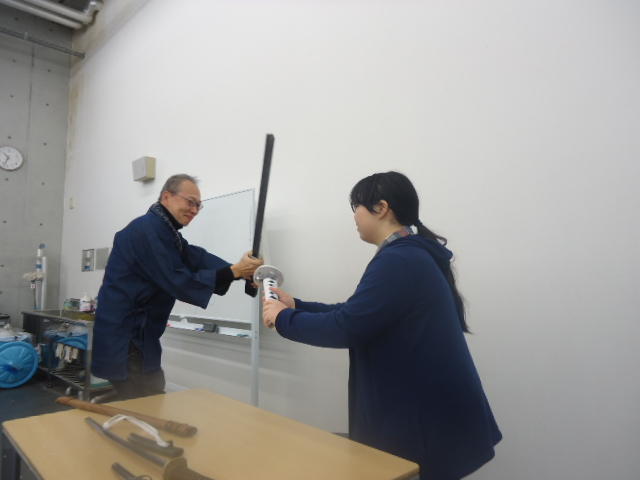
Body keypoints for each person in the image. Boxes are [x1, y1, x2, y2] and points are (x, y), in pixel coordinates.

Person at [262, 171, 501, 480]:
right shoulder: (409, 254)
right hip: (427, 412)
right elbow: (358, 312)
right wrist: (296, 305)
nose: (354, 217)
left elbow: (346, 327)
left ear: (382, 208)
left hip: (422, 419)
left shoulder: (399, 260)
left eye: (356, 207)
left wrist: (283, 318)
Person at [92, 174, 263, 399]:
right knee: (144, 400)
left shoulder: (165, 231)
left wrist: (241, 271)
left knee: (149, 394)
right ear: (167, 196)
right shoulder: (146, 231)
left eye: (198, 205)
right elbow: (177, 280)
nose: (194, 210)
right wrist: (234, 272)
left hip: (139, 336)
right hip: (126, 339)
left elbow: (196, 257)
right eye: (190, 202)